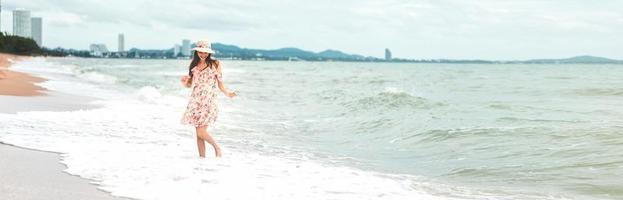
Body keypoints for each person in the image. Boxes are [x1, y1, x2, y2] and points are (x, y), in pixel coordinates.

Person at [180, 39, 236, 158]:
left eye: (205, 52)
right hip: (195, 100)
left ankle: (217, 147)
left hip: (209, 100)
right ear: (197, 52)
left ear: (209, 53)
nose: (203, 55)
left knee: (201, 131)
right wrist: (184, 82)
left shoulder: (215, 64)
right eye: (201, 52)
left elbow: (220, 83)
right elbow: (190, 84)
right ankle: (202, 160)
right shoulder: (193, 65)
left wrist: (227, 93)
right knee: (198, 133)